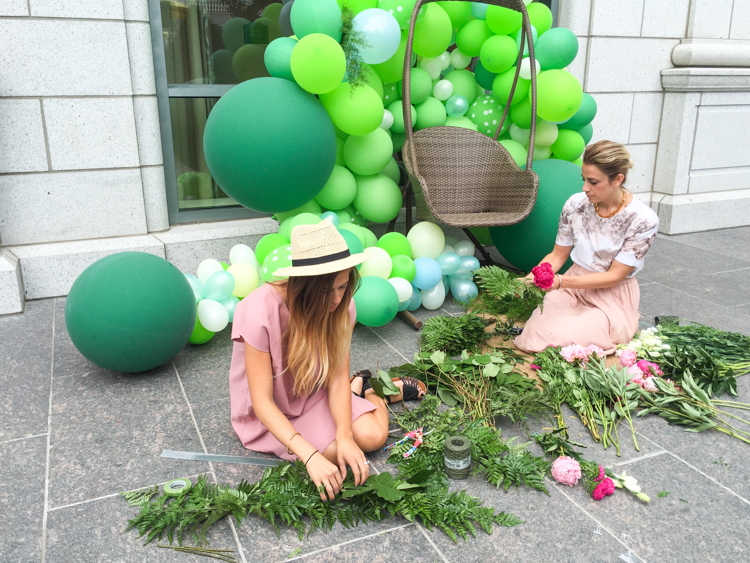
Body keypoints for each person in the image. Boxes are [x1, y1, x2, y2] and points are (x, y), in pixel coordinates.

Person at [228, 221, 425, 502]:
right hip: (272, 407)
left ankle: (370, 389)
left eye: (343, 287)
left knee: (370, 438)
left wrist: (345, 435)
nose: (336, 300)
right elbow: (262, 403)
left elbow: (334, 378)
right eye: (325, 291)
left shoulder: (343, 305)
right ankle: (358, 388)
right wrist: (309, 457)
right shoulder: (259, 309)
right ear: (302, 285)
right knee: (331, 457)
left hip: (314, 388)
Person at [514, 140, 659, 354]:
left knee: (561, 343)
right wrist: (531, 278)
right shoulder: (575, 204)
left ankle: (613, 327)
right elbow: (557, 255)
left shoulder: (643, 219)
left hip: (611, 294)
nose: (584, 188)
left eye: (593, 182)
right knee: (533, 337)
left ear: (618, 179)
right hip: (571, 286)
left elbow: (614, 276)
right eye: (584, 180)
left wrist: (560, 281)